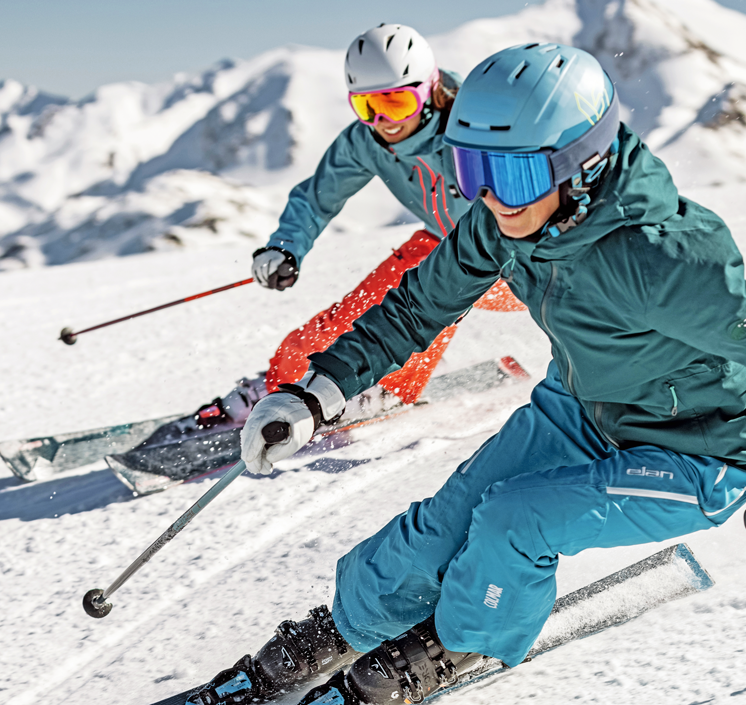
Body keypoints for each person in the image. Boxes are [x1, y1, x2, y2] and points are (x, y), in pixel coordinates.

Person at [185, 44, 746, 705]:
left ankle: (462, 640)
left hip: (699, 452)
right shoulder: (506, 219)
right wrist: (315, 394)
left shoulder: (665, 257)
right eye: (472, 170)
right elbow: (416, 309)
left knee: (514, 520)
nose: (490, 196)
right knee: (434, 532)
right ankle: (349, 625)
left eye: (515, 173)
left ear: (580, 161)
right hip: (582, 408)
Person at [194, 23, 523, 436]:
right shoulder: (366, 142)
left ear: (429, 90)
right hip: (447, 245)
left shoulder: (472, 131)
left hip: (517, 263)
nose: (383, 120)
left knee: (417, 279)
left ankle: (373, 387)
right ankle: (290, 382)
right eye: (367, 107)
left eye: (397, 102)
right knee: (372, 300)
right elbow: (318, 196)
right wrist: (286, 247)